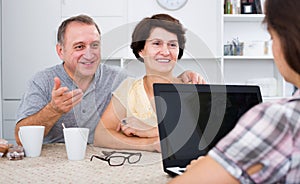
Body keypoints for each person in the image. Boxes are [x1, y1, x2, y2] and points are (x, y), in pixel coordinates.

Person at [15, 14, 204, 145]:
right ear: (60, 51)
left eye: (94, 45)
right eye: (79, 47)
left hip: (101, 158)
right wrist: (53, 110)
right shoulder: (43, 81)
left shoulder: (118, 79)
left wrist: (181, 79)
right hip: (53, 160)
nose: (89, 54)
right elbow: (20, 137)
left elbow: (149, 87)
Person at [169, 0, 300, 183]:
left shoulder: (281, 120)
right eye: (157, 44)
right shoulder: (133, 86)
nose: (165, 52)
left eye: (272, 37)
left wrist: (210, 167)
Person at [94, 14, 199, 152]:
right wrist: (151, 144)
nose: (166, 51)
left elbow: (201, 137)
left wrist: (149, 131)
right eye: (157, 43)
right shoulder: (129, 88)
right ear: (141, 50)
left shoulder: (192, 87)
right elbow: (101, 136)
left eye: (172, 44)